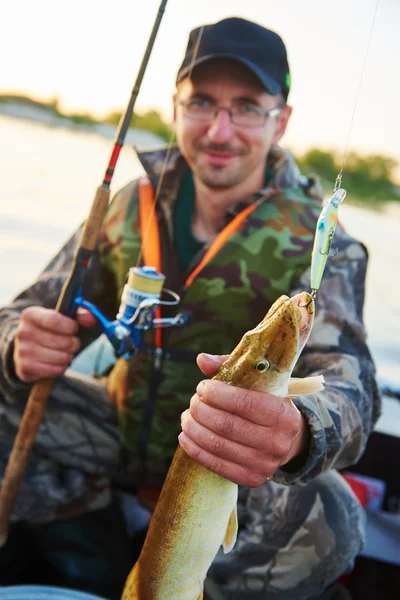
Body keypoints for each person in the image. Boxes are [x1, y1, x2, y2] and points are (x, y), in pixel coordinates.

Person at [0, 16, 380, 600]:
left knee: (330, 516)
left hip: (235, 471)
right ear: (175, 108)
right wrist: (19, 343)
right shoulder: (128, 207)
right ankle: (94, 569)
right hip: (121, 434)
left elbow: (352, 390)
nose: (220, 129)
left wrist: (301, 429)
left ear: (281, 120)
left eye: (247, 106)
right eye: (201, 102)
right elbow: (24, 312)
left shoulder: (327, 246)